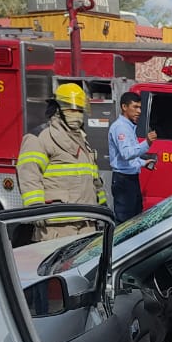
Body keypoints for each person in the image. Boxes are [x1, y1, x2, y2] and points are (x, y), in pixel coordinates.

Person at [17, 83, 105, 241]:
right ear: (57, 109)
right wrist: (35, 206)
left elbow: (94, 179)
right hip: (57, 225)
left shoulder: (82, 141)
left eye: (79, 110)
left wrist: (102, 206)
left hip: (86, 221)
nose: (77, 114)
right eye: (72, 109)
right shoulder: (40, 138)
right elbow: (29, 174)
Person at [110, 90, 158, 223]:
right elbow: (127, 154)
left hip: (130, 178)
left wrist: (143, 163)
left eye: (140, 107)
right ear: (124, 107)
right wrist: (147, 142)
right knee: (124, 222)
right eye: (135, 107)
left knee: (135, 219)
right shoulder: (120, 128)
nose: (139, 111)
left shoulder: (129, 127)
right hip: (123, 180)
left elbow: (131, 155)